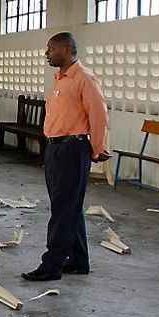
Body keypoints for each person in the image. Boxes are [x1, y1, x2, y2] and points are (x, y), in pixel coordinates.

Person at [22, 32, 110, 282]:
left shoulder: (84, 78)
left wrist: (97, 147)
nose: (46, 53)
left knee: (63, 210)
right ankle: (79, 260)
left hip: (73, 149)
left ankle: (52, 265)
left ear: (67, 49)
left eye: (51, 49)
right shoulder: (60, 79)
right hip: (56, 149)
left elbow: (99, 116)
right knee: (69, 207)